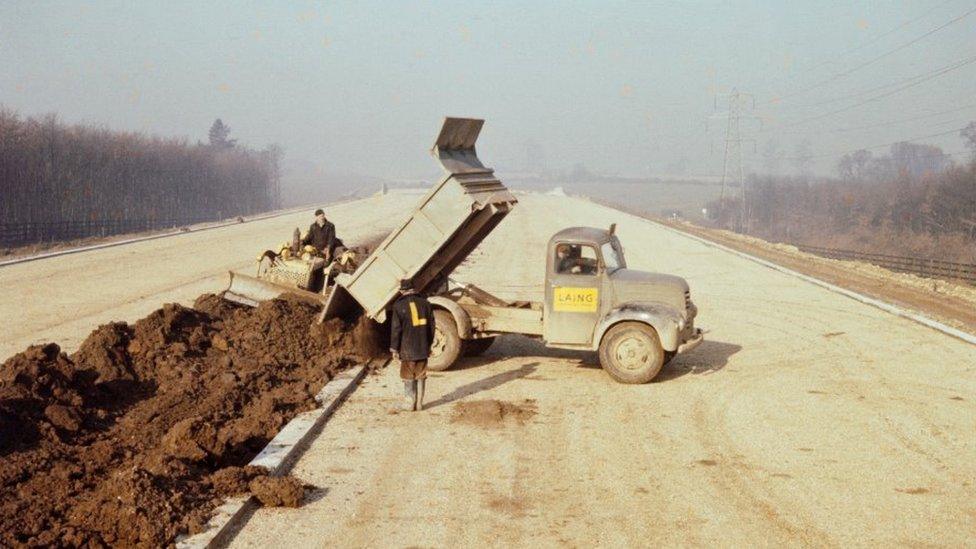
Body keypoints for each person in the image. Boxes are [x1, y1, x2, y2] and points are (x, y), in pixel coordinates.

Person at [389, 278, 436, 411]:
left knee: (407, 374)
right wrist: (429, 344)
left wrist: (394, 348)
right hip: (422, 346)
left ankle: (409, 404)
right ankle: (420, 403)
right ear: (414, 289)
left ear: (402, 291)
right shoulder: (426, 303)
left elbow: (396, 329)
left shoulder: (399, 306)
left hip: (407, 348)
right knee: (421, 374)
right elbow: (432, 327)